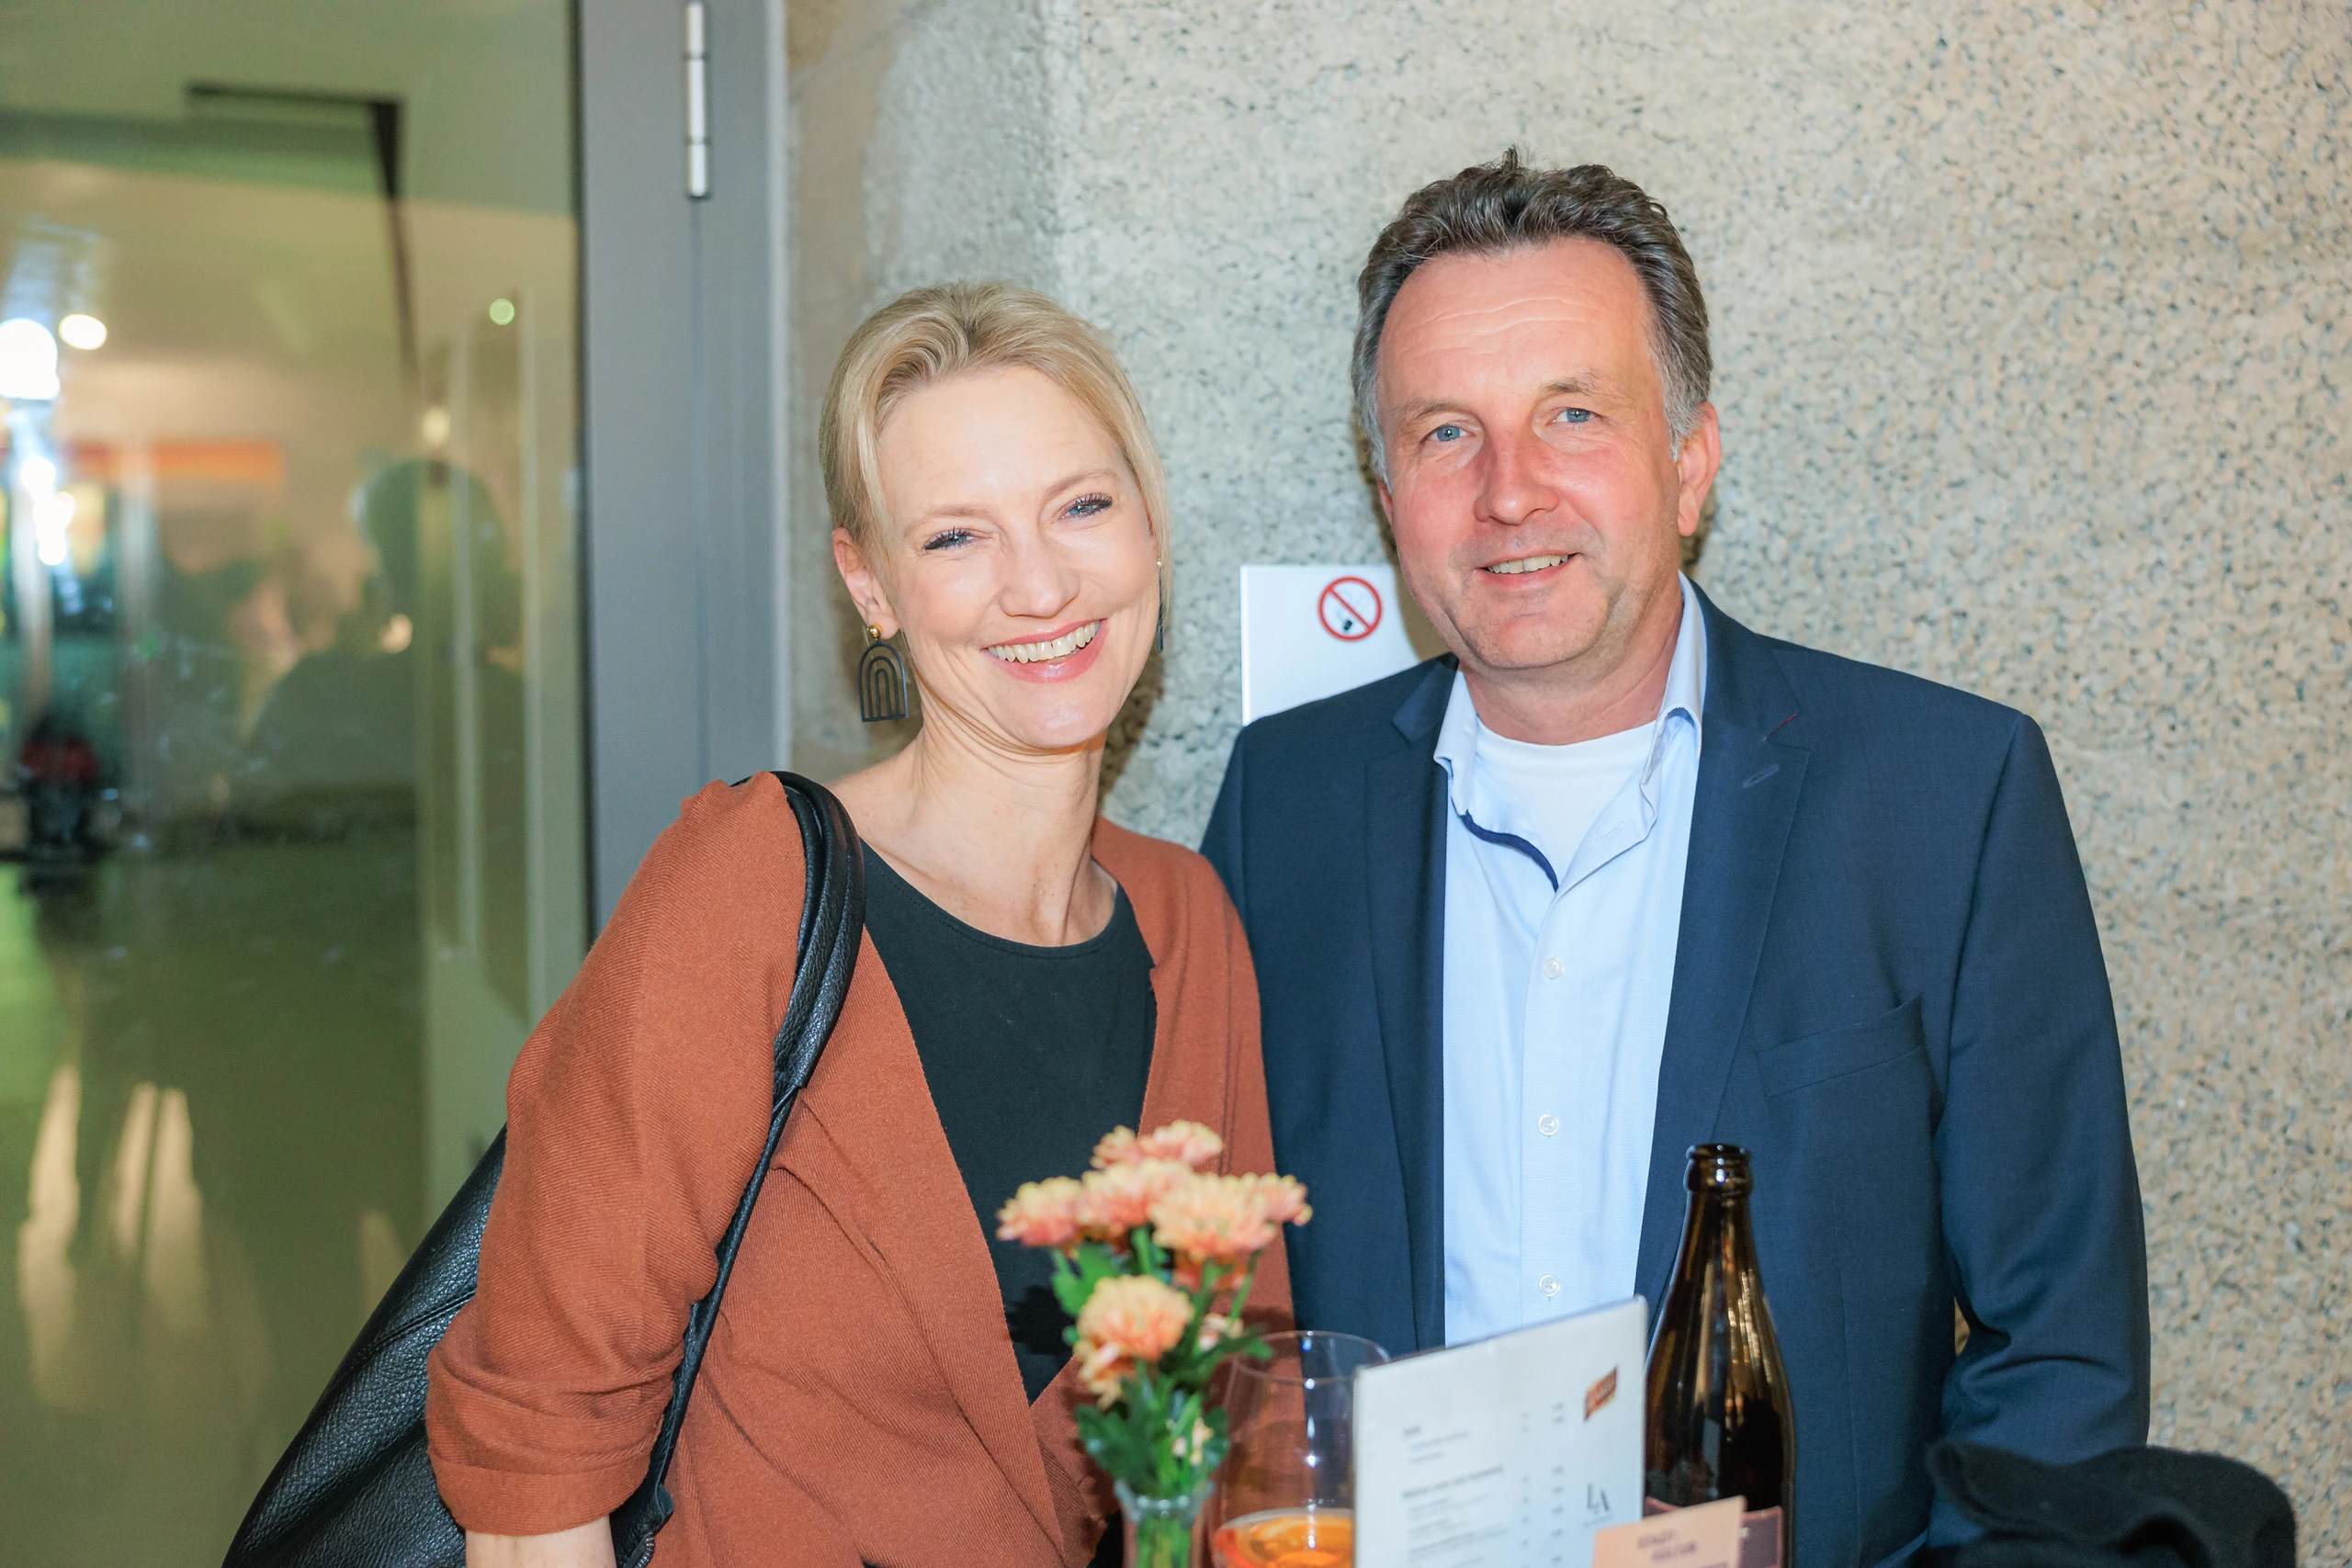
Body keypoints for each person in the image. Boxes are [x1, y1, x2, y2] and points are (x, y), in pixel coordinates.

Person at [1202, 152, 2147, 1566]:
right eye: (1447, 432)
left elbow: (2062, 1350)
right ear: (1388, 492)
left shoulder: (1945, 799)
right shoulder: (1284, 808)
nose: (1509, 491)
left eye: (1571, 414)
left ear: (1690, 460)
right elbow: (1215, 1294)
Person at [429, 282, 1287, 1568]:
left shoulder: (1187, 920)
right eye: (955, 537)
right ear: (870, 584)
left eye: (1081, 507)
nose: (1039, 583)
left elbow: (1235, 1396)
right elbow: (534, 1453)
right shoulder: (751, 885)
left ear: (1152, 527)